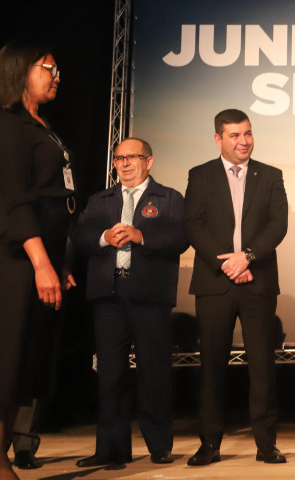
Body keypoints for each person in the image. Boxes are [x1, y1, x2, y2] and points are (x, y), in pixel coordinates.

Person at [71, 137, 188, 467]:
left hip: (149, 295)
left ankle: (159, 445)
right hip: (108, 295)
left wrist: (141, 236)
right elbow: (79, 237)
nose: (124, 163)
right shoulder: (100, 200)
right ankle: (111, 449)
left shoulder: (168, 198)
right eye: (119, 158)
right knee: (110, 374)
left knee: (153, 372)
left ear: (148, 162)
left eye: (132, 157)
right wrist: (102, 238)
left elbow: (180, 238)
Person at [183, 109, 288, 466]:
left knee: (262, 367)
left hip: (257, 280)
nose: (243, 141)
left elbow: (278, 225)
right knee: (212, 366)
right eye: (234, 136)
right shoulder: (199, 175)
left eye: (247, 134)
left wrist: (247, 257)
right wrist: (226, 263)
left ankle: (266, 444)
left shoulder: (271, 175)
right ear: (218, 139)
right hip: (215, 282)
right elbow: (193, 225)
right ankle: (210, 444)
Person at [0, 39, 76, 480]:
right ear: (20, 70)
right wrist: (40, 262)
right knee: (8, 361)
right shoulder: (8, 124)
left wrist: (59, 263)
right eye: (48, 67)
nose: (56, 74)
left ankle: (4, 452)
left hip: (43, 257)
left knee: (27, 364)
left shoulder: (41, 125)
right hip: (16, 263)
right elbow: (15, 200)